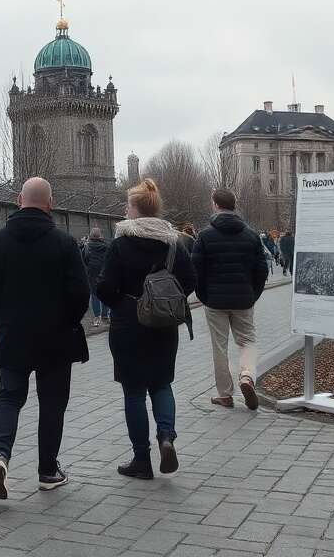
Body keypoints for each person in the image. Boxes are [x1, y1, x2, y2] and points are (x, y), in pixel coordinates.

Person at [0, 177, 89, 498]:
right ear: (50, 203)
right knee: (52, 404)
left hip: (12, 335)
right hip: (55, 338)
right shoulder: (64, 242)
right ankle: (47, 470)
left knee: (9, 397)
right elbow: (81, 292)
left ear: (18, 200)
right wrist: (66, 322)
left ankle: (0, 456)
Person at [95, 178, 196, 481]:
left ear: (136, 209)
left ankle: (142, 459)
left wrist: (124, 303)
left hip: (128, 324)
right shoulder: (173, 243)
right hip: (164, 324)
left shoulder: (121, 244)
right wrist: (167, 299)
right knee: (162, 384)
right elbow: (190, 280)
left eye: (127, 205)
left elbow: (103, 286)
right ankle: (166, 436)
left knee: (134, 392)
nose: (125, 210)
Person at [192, 189, 269, 411]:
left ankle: (225, 394)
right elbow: (261, 270)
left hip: (215, 301)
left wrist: (203, 295)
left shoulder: (205, 236)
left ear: (216, 205)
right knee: (248, 341)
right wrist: (252, 294)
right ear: (234, 206)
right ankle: (247, 376)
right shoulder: (252, 235)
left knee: (220, 347)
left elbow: (196, 270)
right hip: (244, 299)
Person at [81, 228, 111, 327]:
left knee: (94, 295)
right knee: (105, 294)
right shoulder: (106, 246)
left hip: (92, 274)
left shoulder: (87, 247)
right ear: (100, 236)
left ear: (90, 236)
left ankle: (97, 317)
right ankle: (105, 315)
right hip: (104, 274)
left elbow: (84, 260)